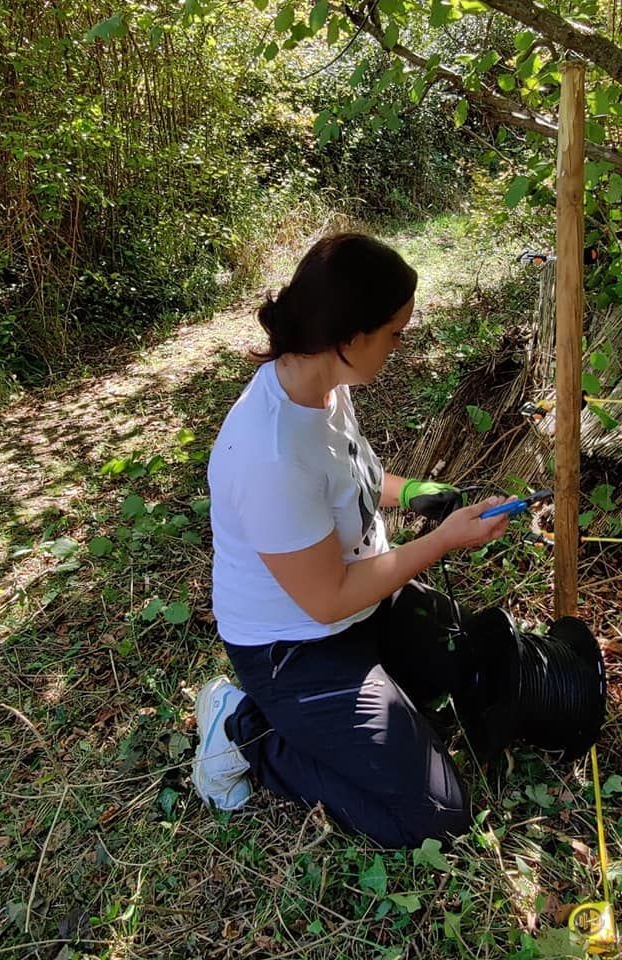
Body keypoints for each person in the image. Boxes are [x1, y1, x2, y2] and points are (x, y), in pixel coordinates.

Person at [193, 232, 515, 849]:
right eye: (395, 332)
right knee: (434, 816)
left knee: (462, 662)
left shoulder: (322, 386)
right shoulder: (269, 455)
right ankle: (244, 732)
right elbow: (328, 599)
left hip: (365, 609)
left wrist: (416, 490)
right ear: (349, 336)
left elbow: (353, 479)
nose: (400, 344)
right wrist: (441, 541)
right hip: (298, 647)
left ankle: (355, 705)